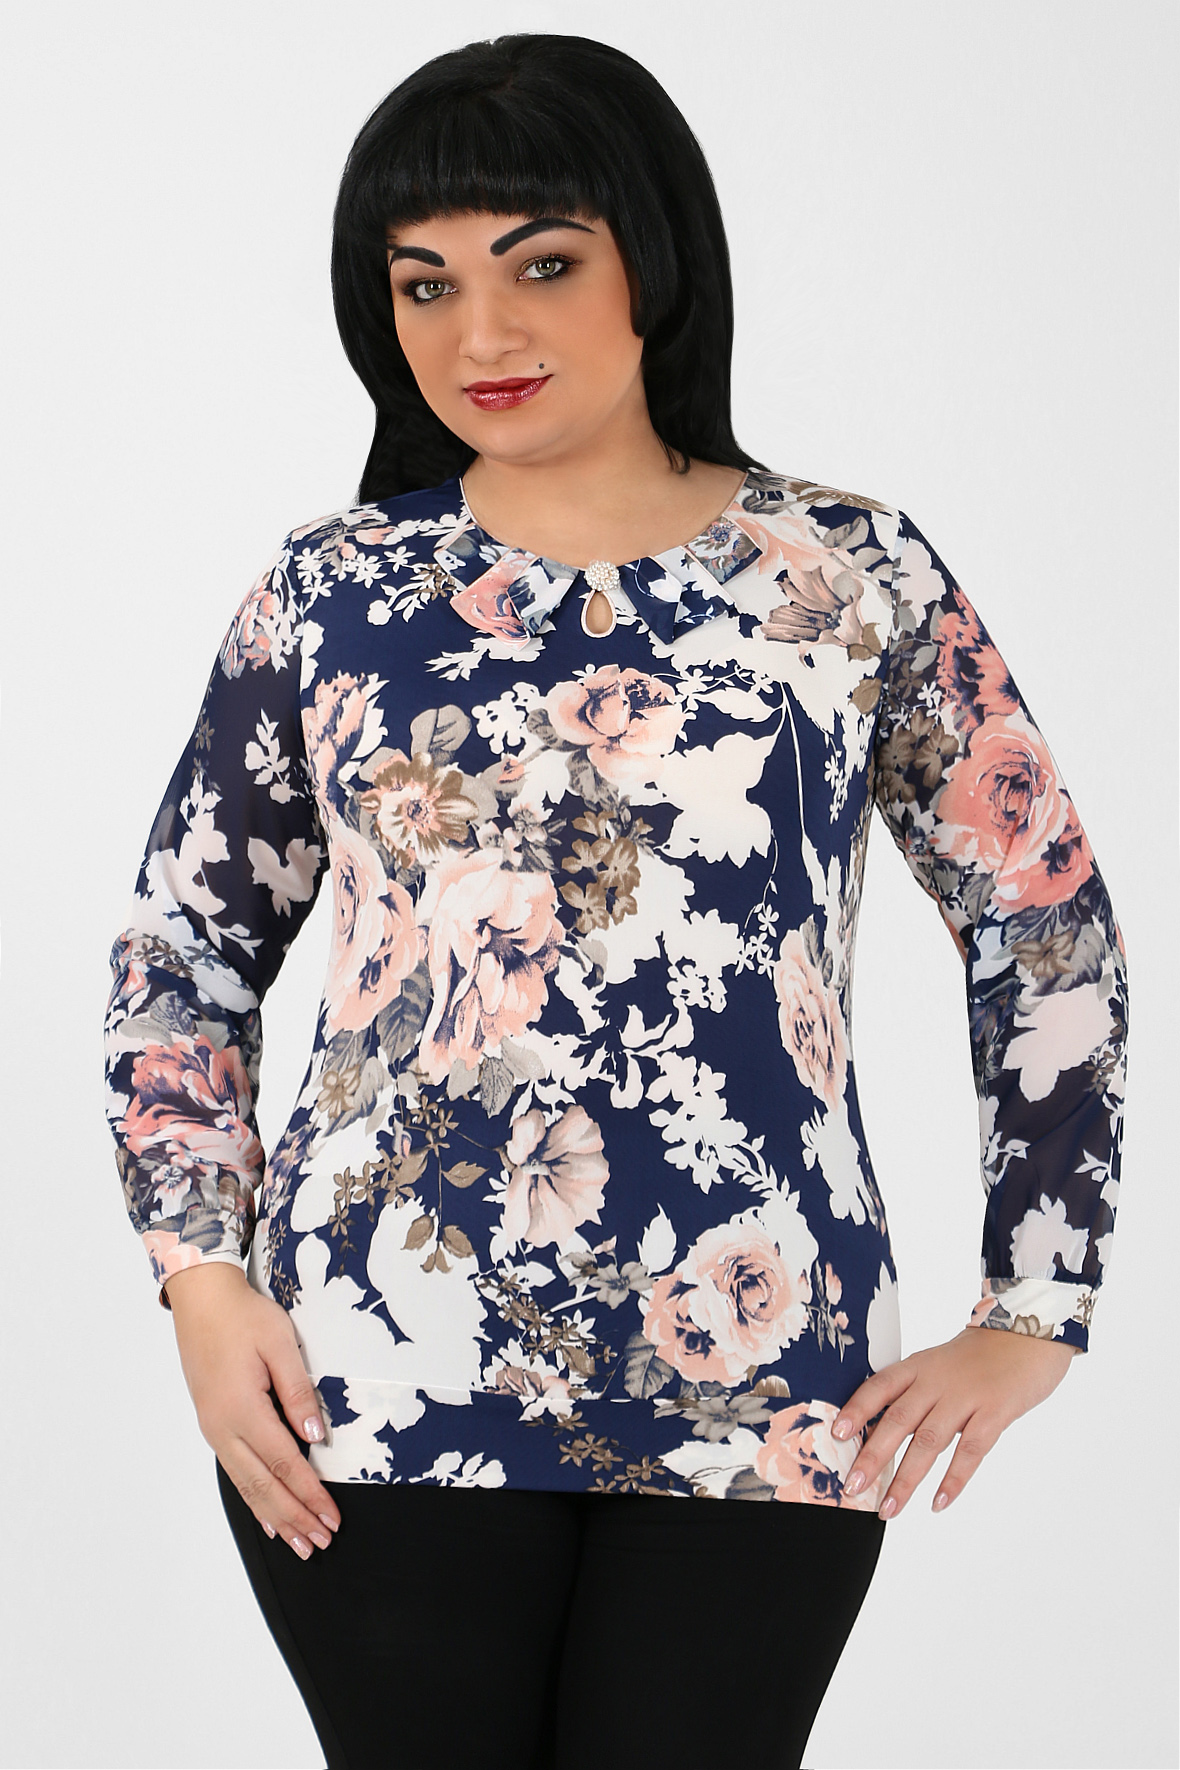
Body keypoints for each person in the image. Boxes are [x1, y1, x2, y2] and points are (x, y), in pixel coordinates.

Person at [101, 30, 1129, 1770]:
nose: (478, 336)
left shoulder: (847, 575)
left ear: (655, 261)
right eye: (425, 284)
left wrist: (1038, 1304)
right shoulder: (331, 591)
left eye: (543, 266)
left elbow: (1045, 930)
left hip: (767, 1362)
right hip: (376, 1374)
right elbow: (182, 954)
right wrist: (202, 1280)